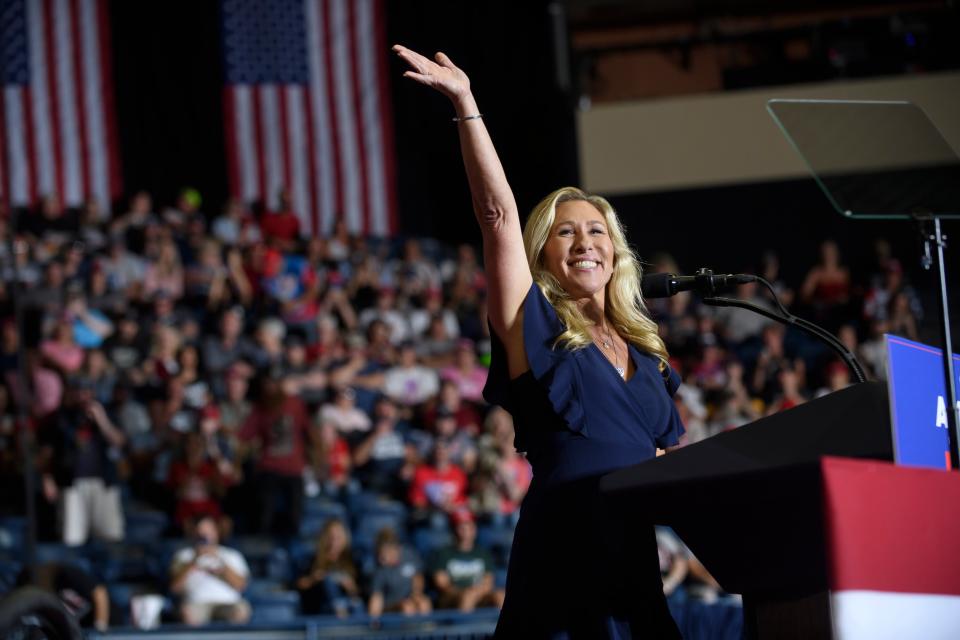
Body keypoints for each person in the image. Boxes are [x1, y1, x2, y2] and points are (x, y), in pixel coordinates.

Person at [394, 45, 684, 637]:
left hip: (633, 555)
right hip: (563, 544)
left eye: (597, 230)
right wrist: (465, 103)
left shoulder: (648, 353)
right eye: (566, 231)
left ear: (615, 252)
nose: (585, 241)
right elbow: (497, 216)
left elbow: (664, 462)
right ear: (544, 254)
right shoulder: (536, 327)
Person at [169, 514, 251, 626]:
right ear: (194, 533)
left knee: (241, 610)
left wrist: (220, 562)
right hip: (196, 604)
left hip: (227, 603)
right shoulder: (183, 555)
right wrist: (193, 561)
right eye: (200, 531)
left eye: (208, 530)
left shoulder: (232, 555)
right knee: (186, 612)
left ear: (216, 532)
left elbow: (241, 586)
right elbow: (174, 588)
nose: (204, 535)